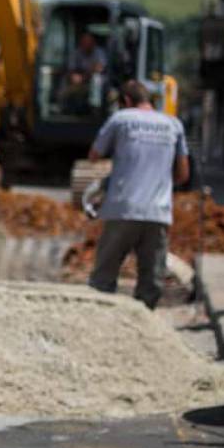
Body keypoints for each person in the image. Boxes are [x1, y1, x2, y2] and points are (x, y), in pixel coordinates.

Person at [87, 80, 189, 309]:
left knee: (103, 276)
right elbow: (183, 174)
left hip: (122, 208)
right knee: (151, 281)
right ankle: (144, 327)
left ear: (126, 101)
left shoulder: (121, 119)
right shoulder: (173, 124)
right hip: (158, 212)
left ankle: (99, 320)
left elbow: (94, 155)